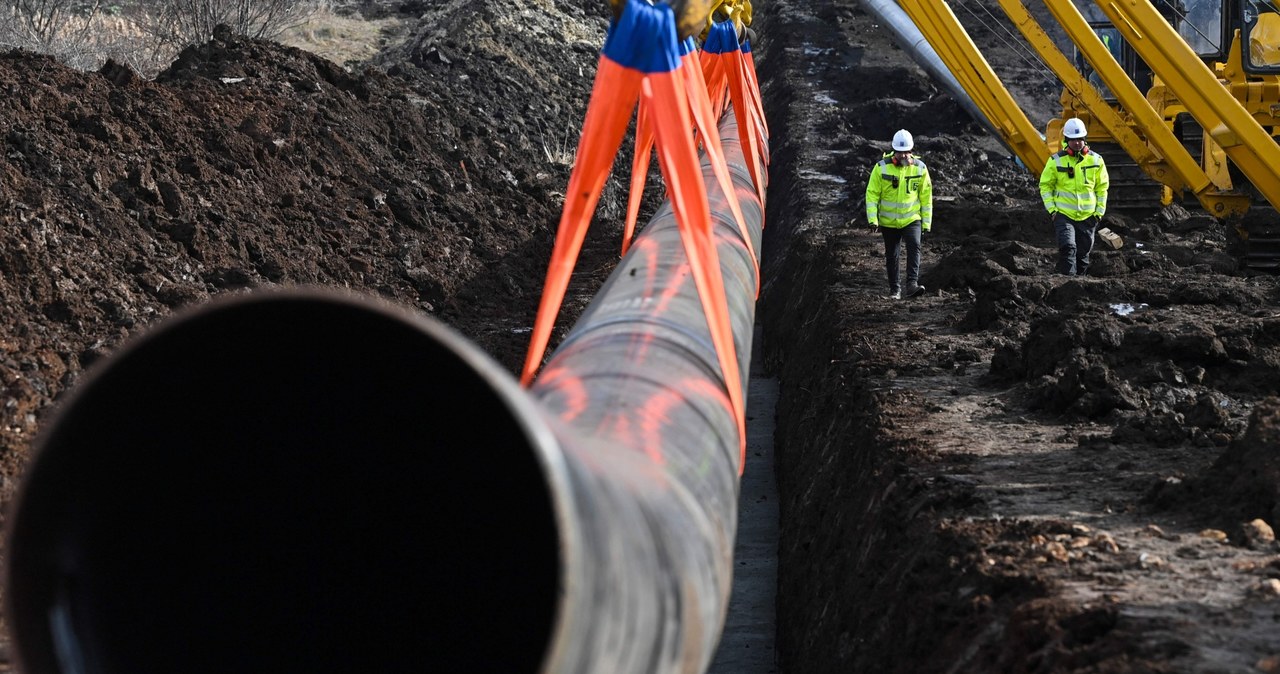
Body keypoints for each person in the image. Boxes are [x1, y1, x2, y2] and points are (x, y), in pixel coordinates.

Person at [865, 129, 933, 299]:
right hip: (889, 222)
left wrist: (926, 223)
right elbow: (872, 194)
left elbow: (926, 197)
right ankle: (895, 290)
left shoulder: (920, 169)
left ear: (911, 151)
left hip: (912, 218)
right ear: (894, 150)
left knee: (914, 246)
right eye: (900, 152)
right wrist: (873, 220)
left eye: (906, 152)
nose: (903, 156)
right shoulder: (881, 168)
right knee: (892, 255)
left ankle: (912, 284)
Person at [1039, 117, 1109, 276]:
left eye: (1080, 139)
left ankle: (1080, 283)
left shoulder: (1097, 160)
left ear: (1084, 139)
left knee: (1083, 255)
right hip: (1064, 215)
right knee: (1068, 248)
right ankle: (1068, 281)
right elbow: (1045, 186)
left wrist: (1098, 213)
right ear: (1066, 140)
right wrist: (1053, 211)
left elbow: (1102, 188)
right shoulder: (1055, 161)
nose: (1077, 143)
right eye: (1073, 140)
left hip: (1089, 216)